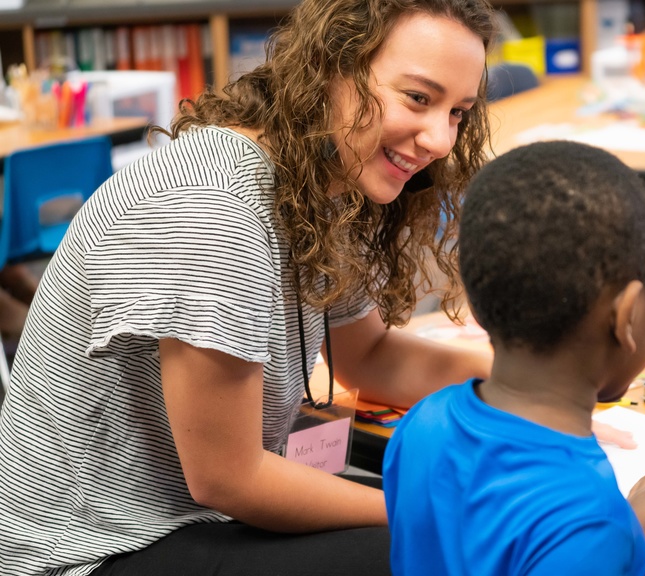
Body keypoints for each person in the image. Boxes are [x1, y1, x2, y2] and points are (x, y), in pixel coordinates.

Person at [0, 0, 496, 574]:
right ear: (332, 67)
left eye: (459, 112)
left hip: (198, 510)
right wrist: (421, 510)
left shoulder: (323, 178)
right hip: (100, 547)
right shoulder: (215, 208)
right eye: (418, 98)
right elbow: (228, 480)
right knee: (433, 546)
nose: (439, 138)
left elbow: (372, 354)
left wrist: (524, 383)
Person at [383, 140, 645, 575]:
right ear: (628, 316)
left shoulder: (422, 423)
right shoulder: (590, 525)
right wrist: (615, 543)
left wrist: (624, 538)